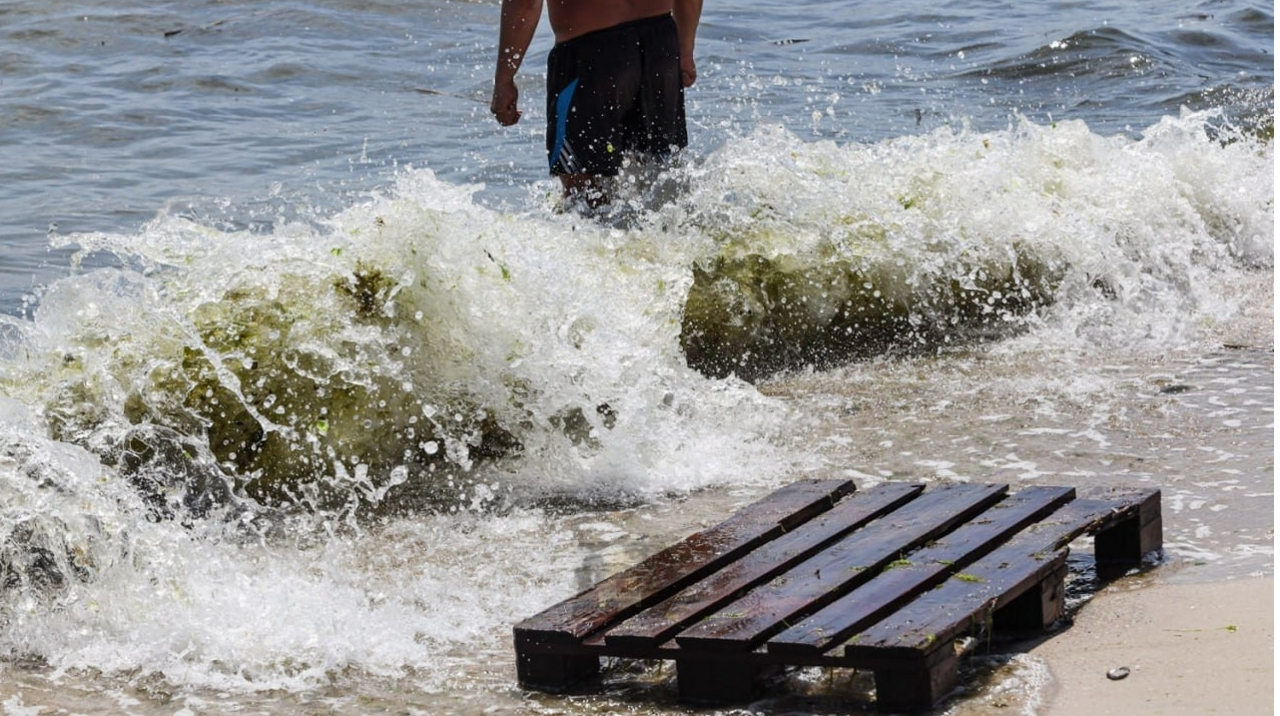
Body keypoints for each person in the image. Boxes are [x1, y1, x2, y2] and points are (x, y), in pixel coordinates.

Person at [490, 0, 703, 206]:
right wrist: (685, 49)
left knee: (582, 192)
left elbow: (525, 4)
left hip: (590, 54)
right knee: (655, 179)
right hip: (660, 45)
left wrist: (504, 79)